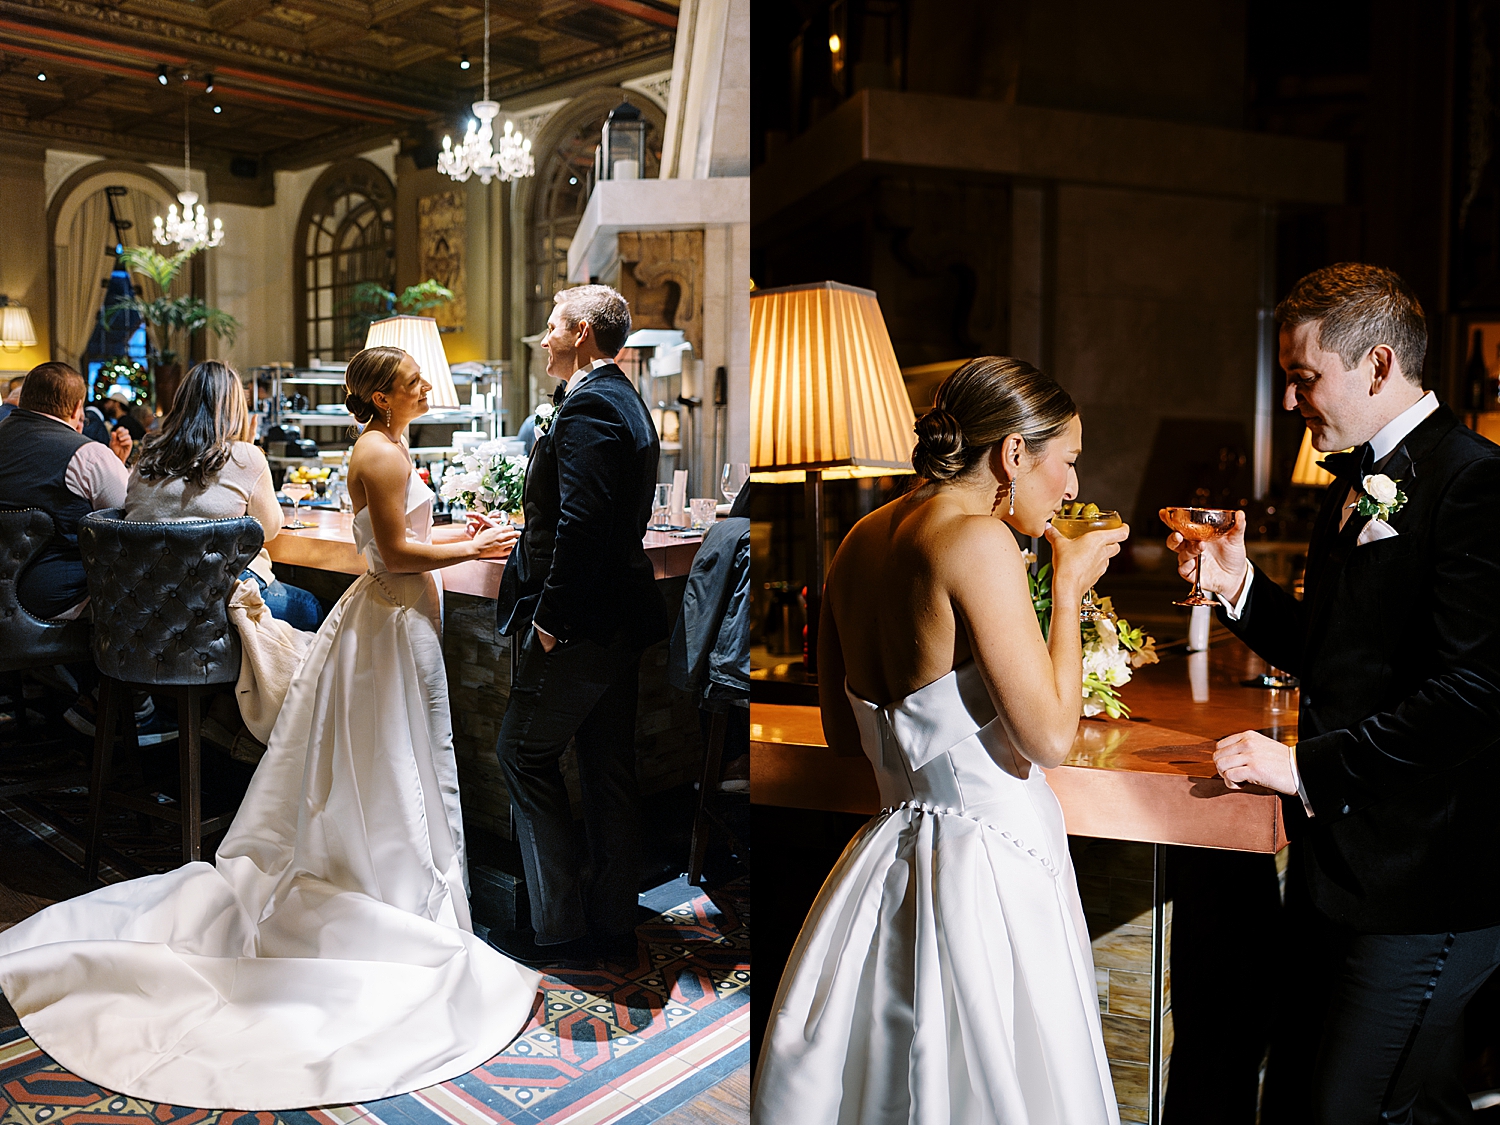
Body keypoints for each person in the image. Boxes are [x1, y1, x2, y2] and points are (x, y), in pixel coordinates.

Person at [0, 346, 539, 1110]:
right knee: (313, 642)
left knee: (380, 731)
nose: (429, 385)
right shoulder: (283, 455)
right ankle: (273, 735)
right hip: (226, 635)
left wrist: (452, 535)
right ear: (383, 396)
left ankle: (245, 735)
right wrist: (474, 544)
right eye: (415, 378)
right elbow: (289, 538)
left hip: (134, 647)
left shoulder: (146, 455)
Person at [753, 357, 1128, 1123]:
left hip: (886, 863)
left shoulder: (856, 540)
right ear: (1014, 454)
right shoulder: (976, 540)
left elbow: (844, 738)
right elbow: (1052, 737)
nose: (1073, 487)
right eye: (1068, 460)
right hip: (989, 871)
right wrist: (1067, 589)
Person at [1168, 263, 1500, 1124]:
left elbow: (1475, 692)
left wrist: (1304, 766)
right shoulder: (1350, 483)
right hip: (1338, 880)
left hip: (1429, 890)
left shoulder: (1478, 485)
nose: (1288, 399)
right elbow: (1343, 657)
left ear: (1378, 365)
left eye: (1303, 375)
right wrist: (1238, 587)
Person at [493, 284, 668, 966]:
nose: (543, 337)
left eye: (553, 325)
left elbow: (584, 524)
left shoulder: (593, 403)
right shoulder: (619, 396)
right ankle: (612, 925)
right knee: (606, 767)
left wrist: (551, 619)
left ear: (584, 332)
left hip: (582, 621)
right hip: (617, 618)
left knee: (521, 752)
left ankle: (558, 927)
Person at [124, 360, 323, 632]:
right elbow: (271, 529)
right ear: (235, 408)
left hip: (149, 607)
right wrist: (251, 451)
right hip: (217, 603)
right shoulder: (244, 456)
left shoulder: (146, 458)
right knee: (313, 606)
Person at [0, 362, 130, 620]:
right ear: (76, 408)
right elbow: (131, 523)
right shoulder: (88, 455)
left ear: (23, 399)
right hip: (51, 604)